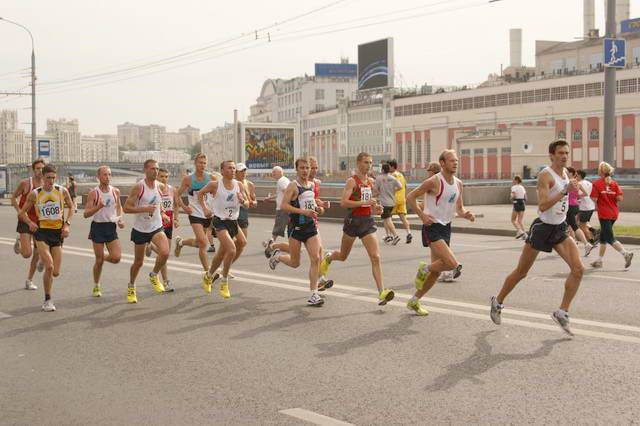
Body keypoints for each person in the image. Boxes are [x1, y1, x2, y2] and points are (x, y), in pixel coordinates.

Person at [490, 140, 585, 336]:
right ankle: (497, 301)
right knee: (522, 272)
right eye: (560, 153)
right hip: (542, 229)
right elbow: (542, 206)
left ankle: (562, 312)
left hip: (559, 229)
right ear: (551, 155)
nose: (564, 156)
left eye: (566, 153)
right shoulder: (545, 175)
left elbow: (563, 203)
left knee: (578, 269)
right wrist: (565, 191)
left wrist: (569, 221)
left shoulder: (566, 173)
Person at [318, 152, 395, 306]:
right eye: (366, 162)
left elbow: (369, 203)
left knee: (376, 257)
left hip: (367, 222)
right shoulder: (351, 182)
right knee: (343, 255)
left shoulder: (371, 182)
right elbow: (344, 203)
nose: (369, 165)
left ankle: (381, 292)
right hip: (353, 222)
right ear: (358, 163)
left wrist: (376, 207)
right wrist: (363, 202)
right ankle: (329, 257)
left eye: (371, 163)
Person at [407, 150, 475, 316]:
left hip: (446, 227)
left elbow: (459, 208)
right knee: (452, 264)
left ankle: (414, 301)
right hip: (432, 226)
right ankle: (424, 268)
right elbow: (410, 197)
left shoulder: (458, 183)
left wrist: (466, 214)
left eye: (456, 160)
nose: (455, 163)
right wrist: (422, 216)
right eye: (452, 160)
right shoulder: (434, 181)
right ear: (442, 163)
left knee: (436, 273)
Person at [268, 157, 325, 306]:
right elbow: (284, 205)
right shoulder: (293, 186)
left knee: (316, 258)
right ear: (297, 169)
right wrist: (302, 212)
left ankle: (313, 294)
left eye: (308, 168)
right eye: (302, 168)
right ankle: (278, 257)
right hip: (296, 227)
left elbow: (312, 205)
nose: (306, 171)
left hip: (310, 226)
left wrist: (320, 207)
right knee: (295, 263)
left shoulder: (312, 185)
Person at [18, 164, 74, 312]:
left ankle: (43, 259)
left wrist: (67, 224)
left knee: (55, 272)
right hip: (42, 232)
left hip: (57, 234)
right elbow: (22, 213)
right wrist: (30, 223)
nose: (51, 180)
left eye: (53, 178)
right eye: (48, 178)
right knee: (49, 267)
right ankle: (48, 300)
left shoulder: (62, 191)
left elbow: (72, 207)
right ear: (42, 178)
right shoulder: (35, 194)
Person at [199, 161, 248, 299]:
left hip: (233, 221)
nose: (232, 170)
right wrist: (205, 208)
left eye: (234, 168)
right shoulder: (215, 185)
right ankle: (224, 282)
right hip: (219, 221)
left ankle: (208, 276)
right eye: (229, 168)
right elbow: (200, 194)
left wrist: (243, 200)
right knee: (231, 249)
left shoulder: (239, 185)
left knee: (235, 247)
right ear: (222, 171)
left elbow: (248, 204)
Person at [123, 159, 169, 303]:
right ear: (145, 170)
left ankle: (154, 275)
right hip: (140, 229)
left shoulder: (160, 186)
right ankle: (131, 286)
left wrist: (163, 213)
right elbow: (126, 208)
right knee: (138, 262)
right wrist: (144, 209)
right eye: (152, 169)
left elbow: (158, 203)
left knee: (165, 252)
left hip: (156, 226)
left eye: (157, 168)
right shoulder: (139, 187)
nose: (155, 171)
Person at [84, 166, 124, 297]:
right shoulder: (94, 193)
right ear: (98, 177)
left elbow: (118, 207)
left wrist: (120, 219)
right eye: (105, 174)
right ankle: (96, 285)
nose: (107, 177)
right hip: (98, 227)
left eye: (109, 174)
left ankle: (102, 257)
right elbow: (86, 214)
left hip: (110, 227)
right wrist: (99, 206)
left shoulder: (115, 191)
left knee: (116, 258)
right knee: (99, 261)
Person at [590, 161, 633, 269]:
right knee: (603, 237)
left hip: (604, 214)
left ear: (600, 171)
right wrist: (610, 195)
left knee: (609, 238)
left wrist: (601, 197)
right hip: (613, 213)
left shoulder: (597, 183)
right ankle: (599, 261)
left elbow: (594, 198)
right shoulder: (614, 183)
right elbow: (620, 198)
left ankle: (626, 254)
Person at [174, 153, 214, 271]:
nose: (202, 165)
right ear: (195, 163)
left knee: (199, 243)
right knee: (203, 242)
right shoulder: (188, 179)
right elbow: (177, 194)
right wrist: (184, 207)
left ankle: (181, 242)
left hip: (207, 214)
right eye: (200, 162)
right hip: (195, 214)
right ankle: (208, 273)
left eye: (204, 163)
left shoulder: (211, 178)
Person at [11, 159, 45, 290]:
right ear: (33, 169)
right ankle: (19, 241)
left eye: (42, 168)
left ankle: (29, 280)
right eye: (37, 168)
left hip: (39, 221)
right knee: (26, 254)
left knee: (37, 254)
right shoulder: (25, 183)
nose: (40, 171)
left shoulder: (47, 185)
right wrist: (19, 211)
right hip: (25, 219)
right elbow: (13, 197)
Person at [145, 168, 179, 292]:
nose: (164, 179)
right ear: (157, 177)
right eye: (161, 176)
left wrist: (176, 219)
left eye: (166, 176)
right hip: (156, 222)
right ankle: (166, 281)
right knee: (163, 254)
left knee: (166, 253)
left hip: (168, 221)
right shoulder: (153, 191)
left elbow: (176, 204)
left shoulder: (172, 189)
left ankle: (150, 247)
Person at [566, 167, 594, 256]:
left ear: (571, 174)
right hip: (576, 206)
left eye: (567, 172)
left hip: (569, 206)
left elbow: (563, 194)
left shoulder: (569, 182)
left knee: (573, 226)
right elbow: (586, 194)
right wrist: (576, 197)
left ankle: (585, 244)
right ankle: (574, 243)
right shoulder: (577, 183)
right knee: (570, 226)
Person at [262, 166, 290, 248]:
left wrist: (286, 204)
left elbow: (287, 193)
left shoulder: (281, 181)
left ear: (280, 172)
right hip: (285, 207)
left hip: (282, 208)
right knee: (286, 225)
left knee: (278, 226)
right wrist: (269, 198)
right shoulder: (283, 180)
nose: (272, 174)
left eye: (274, 172)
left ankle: (271, 243)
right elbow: (279, 194)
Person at [374, 163, 402, 245]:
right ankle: (388, 236)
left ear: (382, 170)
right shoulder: (393, 178)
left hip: (384, 202)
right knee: (385, 219)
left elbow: (375, 188)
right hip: (392, 202)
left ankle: (395, 236)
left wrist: (380, 193)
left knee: (388, 219)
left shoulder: (379, 178)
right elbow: (400, 187)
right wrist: (393, 191)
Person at [388, 159, 413, 243]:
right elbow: (405, 186)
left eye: (388, 166)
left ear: (392, 166)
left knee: (388, 218)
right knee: (403, 217)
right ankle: (409, 232)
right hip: (402, 199)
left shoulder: (391, 175)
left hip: (393, 199)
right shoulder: (401, 175)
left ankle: (392, 236)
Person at [576, 169, 599, 250]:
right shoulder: (589, 183)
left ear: (579, 175)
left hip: (584, 207)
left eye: (576, 175)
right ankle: (594, 231)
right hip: (590, 206)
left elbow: (579, 195)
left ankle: (591, 241)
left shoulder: (579, 184)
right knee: (580, 223)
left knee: (582, 226)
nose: (575, 177)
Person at [235, 163, 257, 238]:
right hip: (231, 210)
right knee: (231, 240)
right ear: (235, 172)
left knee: (243, 240)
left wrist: (253, 203)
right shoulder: (231, 183)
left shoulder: (250, 184)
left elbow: (254, 201)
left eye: (244, 171)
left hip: (243, 211)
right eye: (241, 171)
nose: (243, 173)